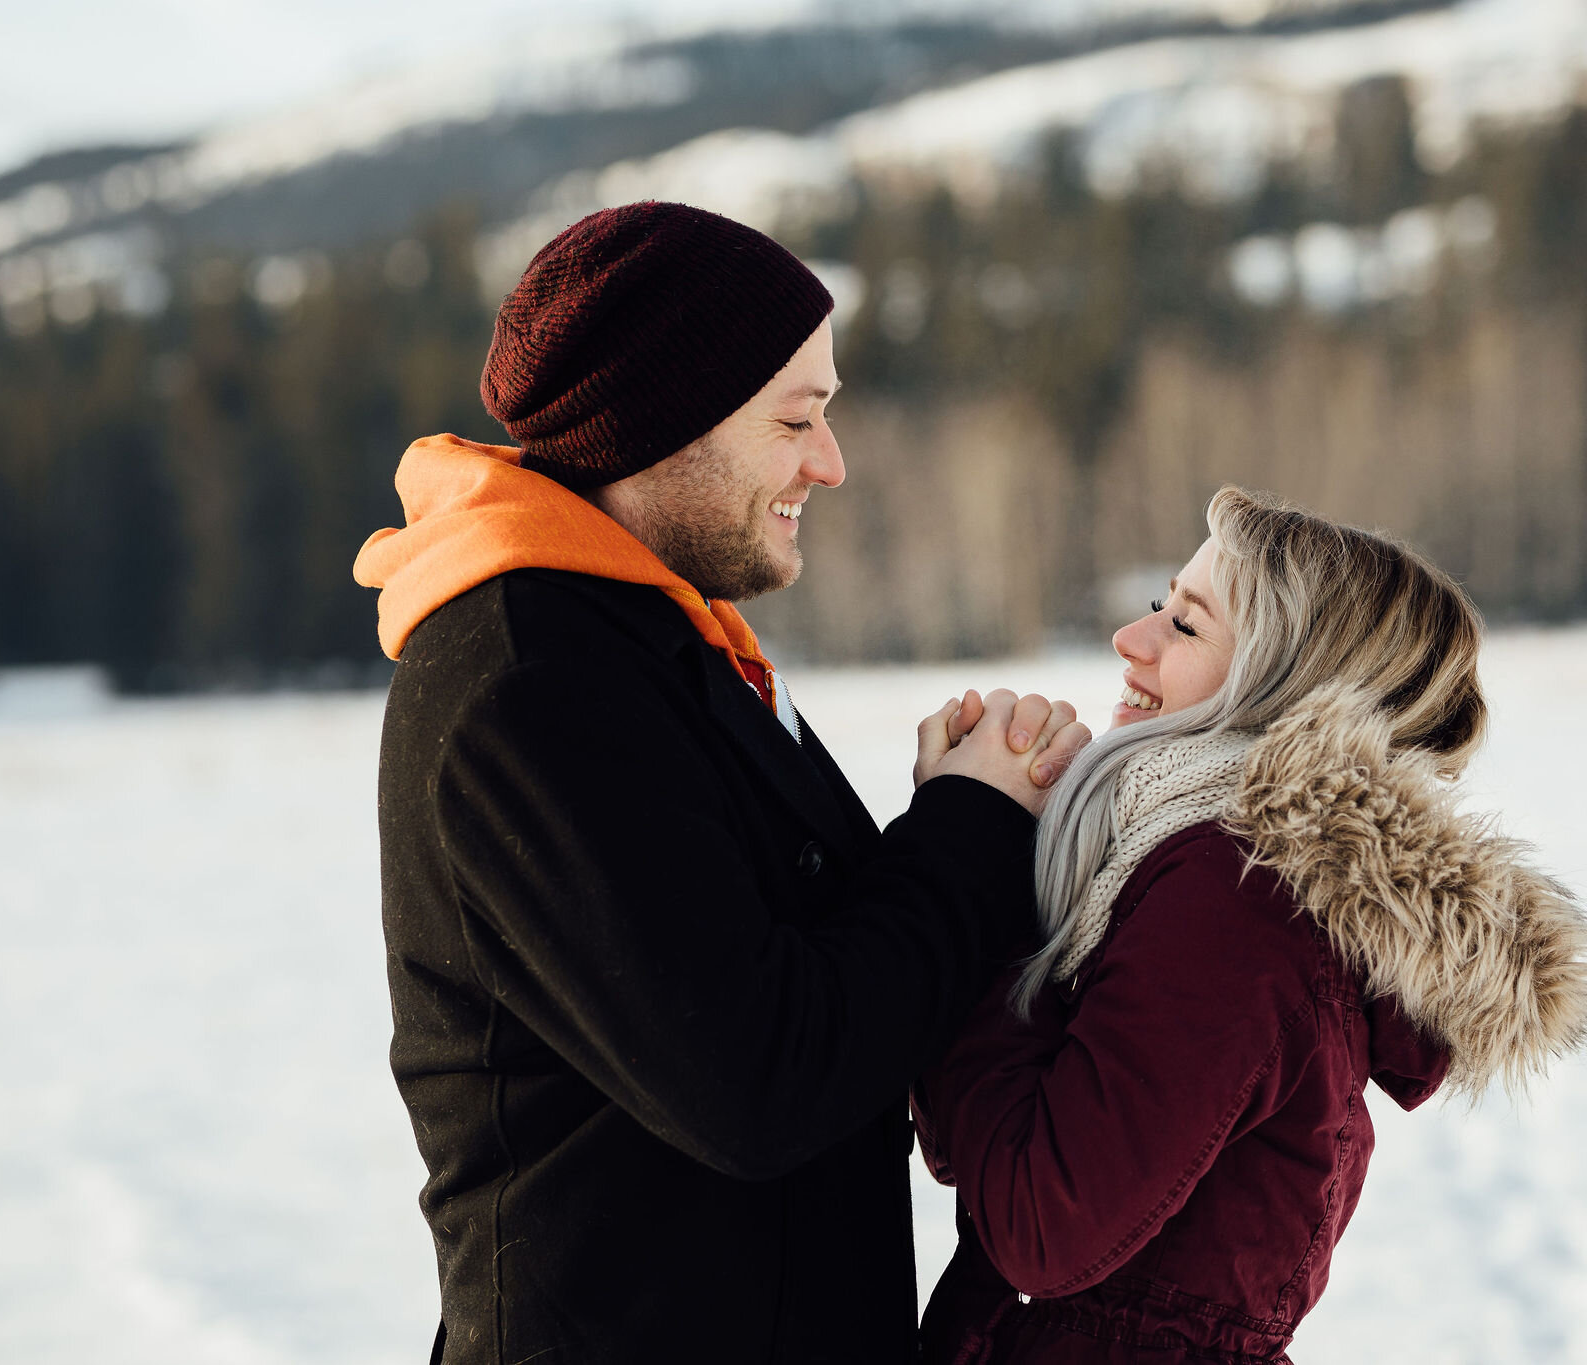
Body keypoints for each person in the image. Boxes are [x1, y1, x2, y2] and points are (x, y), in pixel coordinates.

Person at [353, 202, 1090, 1365]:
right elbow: (760, 1079)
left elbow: (790, 963)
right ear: (661, 423)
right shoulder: (530, 685)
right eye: (795, 420)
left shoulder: (651, 642)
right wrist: (966, 827)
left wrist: (948, 822)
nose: (829, 464)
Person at [912, 487, 1587, 1365]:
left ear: (1283, 687)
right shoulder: (1176, 863)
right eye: (1158, 604)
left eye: (1188, 627)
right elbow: (996, 1148)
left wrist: (975, 866)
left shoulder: (1238, 897)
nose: (1133, 640)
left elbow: (1044, 1219)